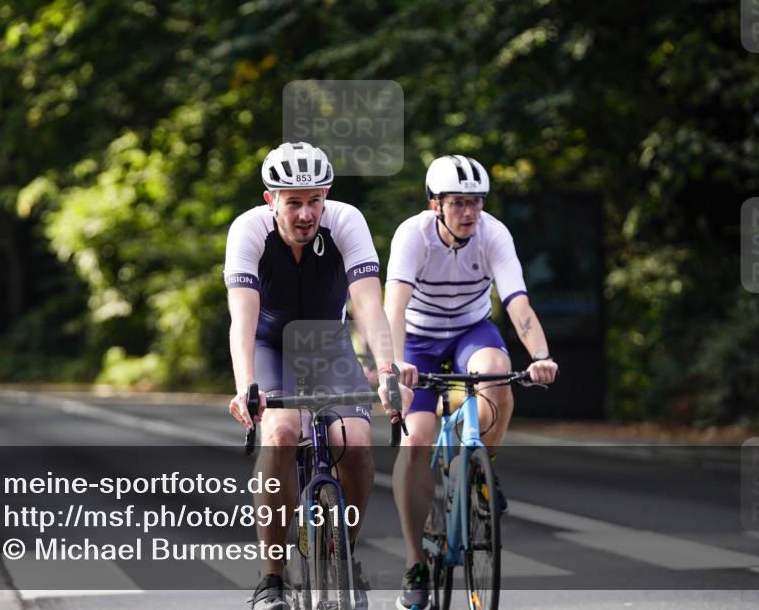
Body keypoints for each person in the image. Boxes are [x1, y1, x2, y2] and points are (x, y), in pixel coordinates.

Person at [225, 141, 412, 610]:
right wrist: (246, 387)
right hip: (270, 346)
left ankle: (343, 557)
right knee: (282, 433)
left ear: (326, 195)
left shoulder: (346, 221)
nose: (306, 214)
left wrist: (386, 370)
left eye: (315, 200)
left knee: (356, 442)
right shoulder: (248, 230)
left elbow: (369, 305)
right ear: (271, 200)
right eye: (293, 202)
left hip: (328, 343)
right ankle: (272, 578)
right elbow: (243, 319)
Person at [385, 155, 559, 610]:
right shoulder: (413, 235)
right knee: (416, 440)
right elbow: (394, 308)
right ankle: (414, 562)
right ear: (435, 204)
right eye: (459, 203)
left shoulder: (493, 233)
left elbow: (518, 304)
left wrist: (541, 356)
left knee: (498, 379)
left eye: (476, 202)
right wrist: (394, 365)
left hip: (470, 330)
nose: (469, 212)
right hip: (418, 339)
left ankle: (481, 467)